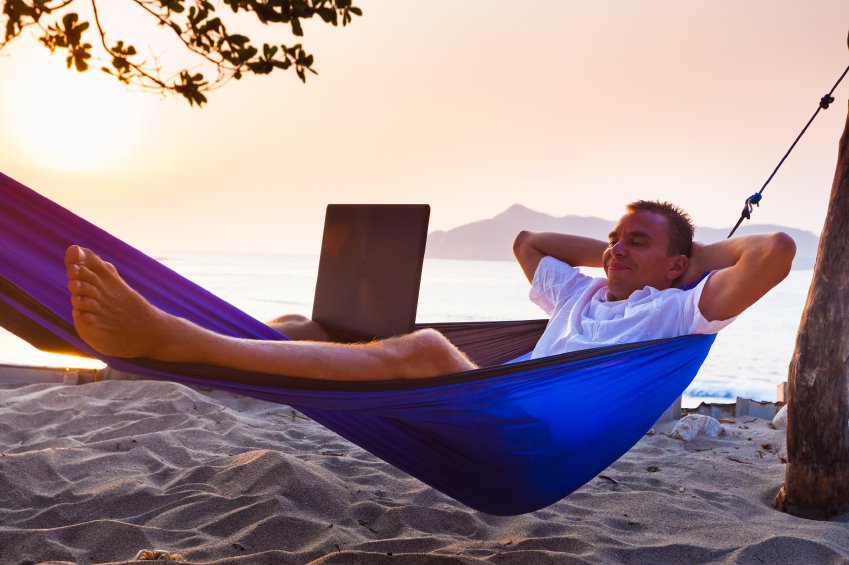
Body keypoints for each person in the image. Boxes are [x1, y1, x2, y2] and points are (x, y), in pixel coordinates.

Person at [64, 200, 795, 381]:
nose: (613, 249)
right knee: (311, 324)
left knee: (421, 347)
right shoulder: (576, 295)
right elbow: (527, 243)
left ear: (678, 265)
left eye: (636, 241)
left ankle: (169, 340)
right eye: (613, 236)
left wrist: (696, 258)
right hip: (490, 394)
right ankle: (192, 338)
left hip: (522, 427)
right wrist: (617, 253)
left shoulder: (675, 310)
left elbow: (775, 253)